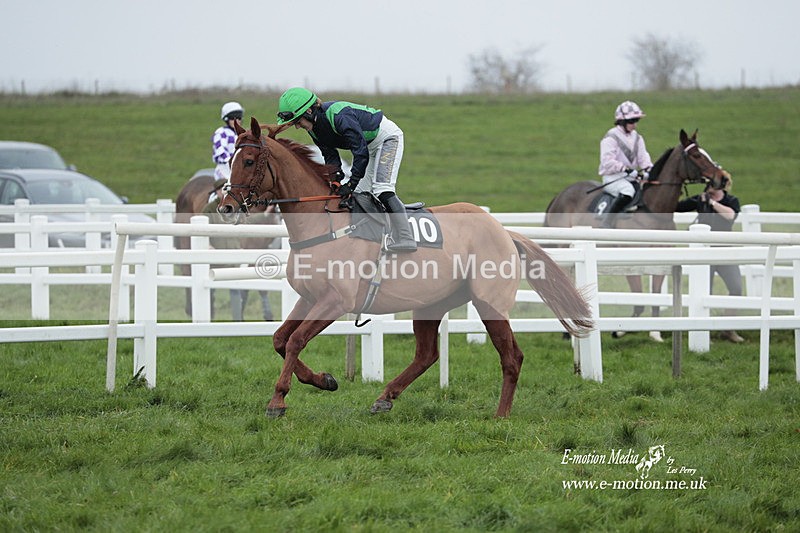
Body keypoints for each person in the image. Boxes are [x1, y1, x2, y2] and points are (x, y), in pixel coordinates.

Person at [276, 87, 417, 253]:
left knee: (382, 189)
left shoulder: (339, 116)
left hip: (387, 140)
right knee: (360, 194)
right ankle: (377, 237)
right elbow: (330, 156)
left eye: (298, 121)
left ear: (308, 111)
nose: (298, 127)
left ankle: (406, 237)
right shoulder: (314, 128)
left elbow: (360, 152)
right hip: (369, 147)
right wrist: (335, 180)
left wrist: (350, 183)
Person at [676, 170, 744, 343]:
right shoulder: (700, 199)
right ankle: (703, 331)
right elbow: (677, 207)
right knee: (704, 292)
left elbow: (730, 216)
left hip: (725, 252)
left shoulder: (731, 201)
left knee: (736, 288)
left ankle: (728, 328)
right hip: (704, 253)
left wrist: (712, 202)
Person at [597, 101, 654, 228]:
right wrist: (626, 169)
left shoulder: (637, 138)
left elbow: (643, 157)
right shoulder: (610, 137)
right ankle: (607, 222)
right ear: (622, 121)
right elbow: (607, 162)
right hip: (612, 178)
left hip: (630, 177)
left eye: (636, 121)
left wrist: (648, 169)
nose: (634, 125)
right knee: (627, 190)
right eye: (631, 121)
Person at [212, 101, 244, 183]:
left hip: (240, 168)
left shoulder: (242, 134)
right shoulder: (221, 132)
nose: (237, 121)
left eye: (239, 118)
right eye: (233, 118)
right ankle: (216, 196)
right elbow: (220, 150)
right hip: (224, 169)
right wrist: (233, 161)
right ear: (226, 119)